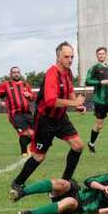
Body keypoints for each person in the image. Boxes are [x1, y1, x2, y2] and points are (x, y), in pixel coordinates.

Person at [11, 42, 86, 194]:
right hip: (45, 120)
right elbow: (51, 101)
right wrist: (73, 103)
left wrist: (77, 105)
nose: (70, 60)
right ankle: (18, 182)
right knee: (39, 156)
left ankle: (65, 182)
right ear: (58, 57)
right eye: (66, 56)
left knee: (78, 146)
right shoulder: (52, 74)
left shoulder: (68, 72)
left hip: (60, 118)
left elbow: (70, 90)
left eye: (72, 57)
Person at [0, 66, 35, 156]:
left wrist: (29, 95)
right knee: (24, 132)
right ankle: (24, 152)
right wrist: (0, 103)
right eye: (14, 72)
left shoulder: (25, 85)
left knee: (35, 132)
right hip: (15, 114)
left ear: (20, 73)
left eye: (17, 72)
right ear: (10, 74)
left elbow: (32, 98)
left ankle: (29, 149)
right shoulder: (6, 85)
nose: (16, 74)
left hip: (27, 113)